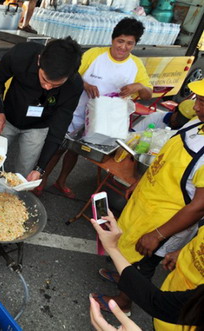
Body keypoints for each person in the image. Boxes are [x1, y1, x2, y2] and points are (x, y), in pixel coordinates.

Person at [91, 79, 204, 315]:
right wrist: (141, 183)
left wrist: (158, 234)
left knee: (144, 261)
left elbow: (198, 207)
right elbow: (165, 157)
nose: (195, 107)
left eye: (202, 102)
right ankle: (124, 274)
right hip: (147, 201)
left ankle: (124, 302)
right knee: (127, 244)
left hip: (164, 220)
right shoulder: (196, 123)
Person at [37, 17, 153, 198]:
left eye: (129, 43)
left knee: (75, 151)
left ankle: (61, 181)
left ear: (135, 44)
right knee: (57, 147)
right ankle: (40, 180)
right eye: (120, 41)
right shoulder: (95, 54)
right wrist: (84, 85)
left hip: (103, 122)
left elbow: (148, 95)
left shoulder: (136, 65)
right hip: (75, 112)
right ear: (112, 39)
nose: (123, 47)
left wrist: (138, 86)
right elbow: (69, 73)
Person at [0, 37, 83, 181]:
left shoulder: (74, 86)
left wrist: (40, 168)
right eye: (44, 79)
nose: (47, 87)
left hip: (39, 126)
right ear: (39, 61)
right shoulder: (21, 54)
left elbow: (58, 130)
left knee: (24, 172)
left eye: (55, 85)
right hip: (8, 117)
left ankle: (13, 198)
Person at [90, 213, 203, 330]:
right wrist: (183, 251)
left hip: (176, 321)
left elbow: (157, 303)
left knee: (145, 266)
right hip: (172, 300)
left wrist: (112, 248)